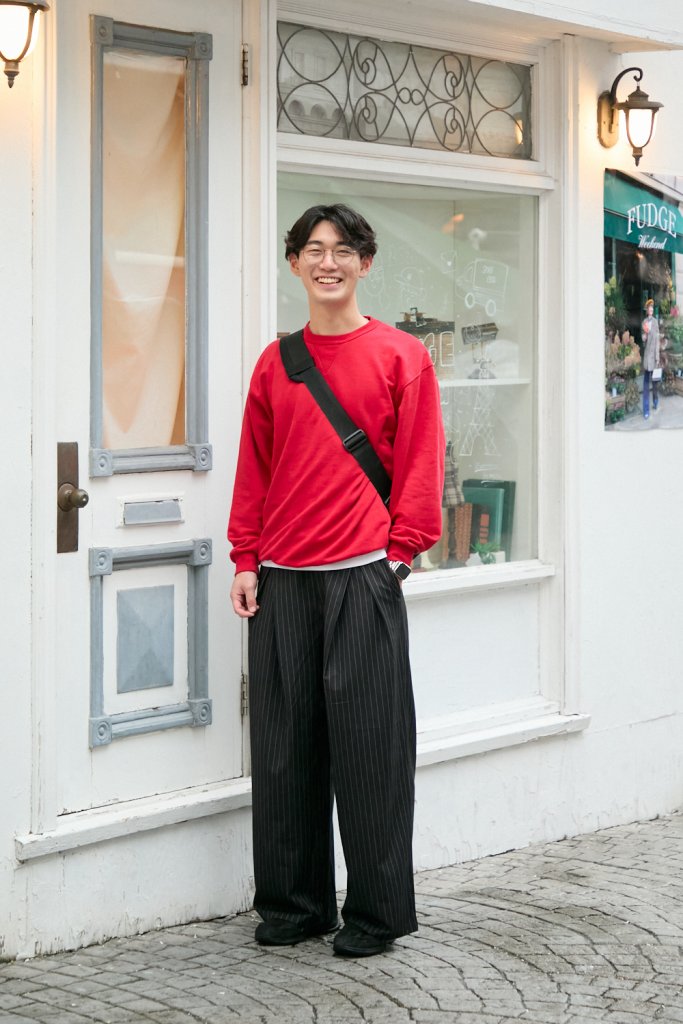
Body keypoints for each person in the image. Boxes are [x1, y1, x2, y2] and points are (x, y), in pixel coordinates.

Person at [227, 203, 445, 958]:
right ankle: (294, 907)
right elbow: (254, 467)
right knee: (284, 752)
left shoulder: (401, 356)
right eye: (314, 250)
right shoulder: (275, 362)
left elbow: (420, 464)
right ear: (294, 264)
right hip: (283, 579)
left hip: (362, 576)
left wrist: (399, 555)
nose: (329, 262)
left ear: (365, 263)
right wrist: (246, 558)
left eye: (343, 249)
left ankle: (376, 915)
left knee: (370, 750)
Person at [641, 298, 661, 419]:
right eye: (649, 308)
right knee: (645, 385)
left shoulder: (655, 322)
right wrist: (644, 337)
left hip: (654, 358)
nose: (651, 310)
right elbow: (644, 341)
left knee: (654, 384)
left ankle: (655, 400)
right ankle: (646, 410)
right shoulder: (644, 323)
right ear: (647, 310)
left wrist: (658, 357)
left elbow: (657, 341)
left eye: (652, 308)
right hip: (647, 357)